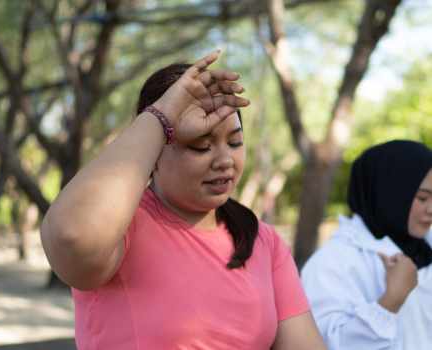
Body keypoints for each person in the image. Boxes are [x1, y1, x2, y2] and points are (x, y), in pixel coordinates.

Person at [41, 50, 326, 349]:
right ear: (153, 153)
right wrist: (161, 115)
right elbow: (71, 236)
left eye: (235, 142)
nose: (224, 160)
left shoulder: (263, 242)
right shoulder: (120, 229)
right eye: (201, 146)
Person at [301, 140, 432, 350]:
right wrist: (389, 303)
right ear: (390, 194)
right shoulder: (331, 264)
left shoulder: (424, 251)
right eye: (422, 198)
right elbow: (323, 344)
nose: (430, 209)